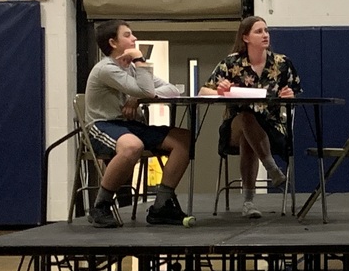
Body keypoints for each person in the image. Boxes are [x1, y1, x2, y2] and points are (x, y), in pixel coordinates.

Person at [83, 20, 192, 228]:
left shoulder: (133, 69)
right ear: (113, 42)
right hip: (103, 125)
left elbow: (172, 90)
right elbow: (147, 91)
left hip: (129, 125)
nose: (134, 39)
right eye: (128, 35)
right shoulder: (106, 68)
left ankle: (161, 205)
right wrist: (141, 62)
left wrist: (137, 98)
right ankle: (100, 206)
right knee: (133, 146)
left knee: (183, 139)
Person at [199, 16, 301, 218]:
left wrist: (290, 95)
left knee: (249, 135)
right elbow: (203, 91)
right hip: (234, 128)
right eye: (259, 31)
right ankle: (271, 168)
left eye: (266, 30)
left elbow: (295, 92)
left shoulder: (282, 63)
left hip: (272, 128)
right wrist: (220, 91)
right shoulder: (231, 63)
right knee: (245, 118)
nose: (265, 35)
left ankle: (248, 202)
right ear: (245, 37)